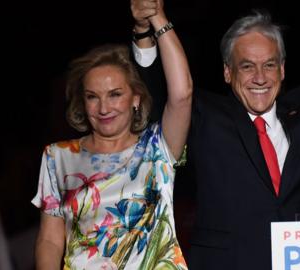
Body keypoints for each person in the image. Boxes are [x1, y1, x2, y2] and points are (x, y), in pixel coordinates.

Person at [132, 0, 300, 269]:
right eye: (247, 66)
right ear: (228, 72)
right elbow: (158, 95)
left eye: (269, 65)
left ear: (282, 69)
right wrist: (145, 32)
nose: (260, 78)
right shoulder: (206, 117)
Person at [31, 2, 192, 269]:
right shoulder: (57, 157)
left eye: (115, 94)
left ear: (136, 99)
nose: (103, 108)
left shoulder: (158, 147)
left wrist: (158, 18)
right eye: (93, 97)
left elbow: (182, 94)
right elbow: (50, 240)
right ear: (82, 103)